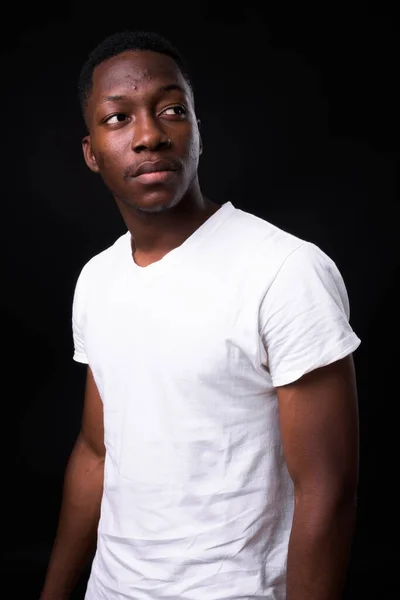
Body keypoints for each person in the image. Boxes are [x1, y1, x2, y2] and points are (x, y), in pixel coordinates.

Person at [40, 30, 361, 600]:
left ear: (195, 129)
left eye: (171, 110)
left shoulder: (285, 270)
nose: (148, 136)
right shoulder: (97, 278)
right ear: (91, 151)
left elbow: (326, 489)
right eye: (118, 118)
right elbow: (95, 453)